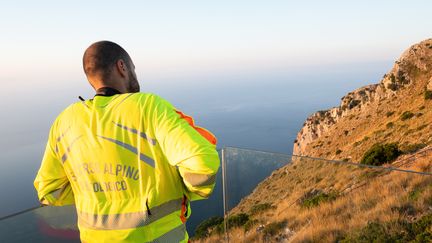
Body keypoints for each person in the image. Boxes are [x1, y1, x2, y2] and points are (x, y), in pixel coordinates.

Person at [34, 41, 220, 242]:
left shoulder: (65, 121)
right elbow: (203, 166)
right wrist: (184, 192)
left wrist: (95, 192)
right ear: (122, 67)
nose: (135, 74)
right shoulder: (148, 107)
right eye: (133, 68)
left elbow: (49, 190)